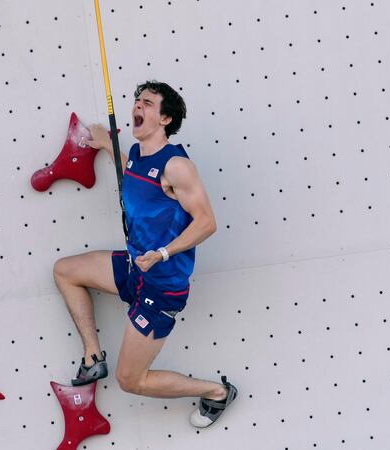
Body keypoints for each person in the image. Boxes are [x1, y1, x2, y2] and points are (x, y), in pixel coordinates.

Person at [52, 80, 236, 427]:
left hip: (160, 286)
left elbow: (207, 223)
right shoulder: (138, 156)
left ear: (165, 118)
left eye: (148, 103)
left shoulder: (176, 166)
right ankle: (93, 356)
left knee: (130, 381)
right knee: (65, 271)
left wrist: (163, 254)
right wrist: (108, 144)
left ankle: (217, 392)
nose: (138, 105)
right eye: (137, 100)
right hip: (136, 268)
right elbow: (133, 175)